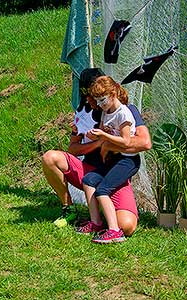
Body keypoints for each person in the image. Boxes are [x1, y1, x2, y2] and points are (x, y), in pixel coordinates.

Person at [41, 68, 151, 237]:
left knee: (126, 226)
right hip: (90, 170)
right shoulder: (84, 113)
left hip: (114, 174)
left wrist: (109, 144)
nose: (89, 100)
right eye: (86, 94)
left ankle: (103, 208)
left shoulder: (125, 111)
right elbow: (73, 149)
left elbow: (144, 142)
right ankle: (68, 209)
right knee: (50, 157)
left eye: (93, 96)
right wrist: (98, 143)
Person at [82, 75, 141, 244]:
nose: (99, 104)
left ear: (113, 94)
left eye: (102, 100)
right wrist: (96, 133)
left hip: (127, 160)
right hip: (113, 158)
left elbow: (126, 142)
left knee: (102, 190)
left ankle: (115, 231)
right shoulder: (106, 111)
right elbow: (103, 130)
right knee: (89, 180)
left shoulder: (124, 114)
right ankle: (96, 223)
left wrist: (104, 135)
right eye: (97, 101)